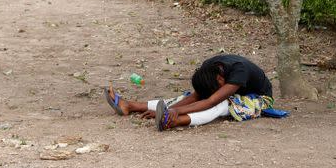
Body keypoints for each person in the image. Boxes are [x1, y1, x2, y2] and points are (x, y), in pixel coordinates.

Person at [105, 54, 274, 131]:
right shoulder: (210, 68)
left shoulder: (239, 71)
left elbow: (210, 101)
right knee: (187, 98)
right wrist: (166, 109)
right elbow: (196, 96)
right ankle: (131, 106)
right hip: (226, 93)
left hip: (259, 99)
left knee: (224, 104)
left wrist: (175, 112)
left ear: (221, 79)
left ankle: (177, 121)